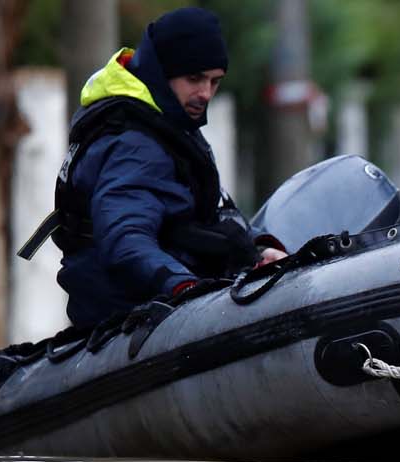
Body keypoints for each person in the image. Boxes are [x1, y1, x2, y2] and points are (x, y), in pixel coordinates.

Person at [34, 7, 285, 330]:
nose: (205, 93)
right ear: (159, 71)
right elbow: (125, 238)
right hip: (135, 318)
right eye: (194, 78)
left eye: (215, 81)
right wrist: (185, 287)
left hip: (163, 308)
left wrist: (259, 251)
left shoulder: (166, 122)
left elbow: (204, 214)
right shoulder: (134, 143)